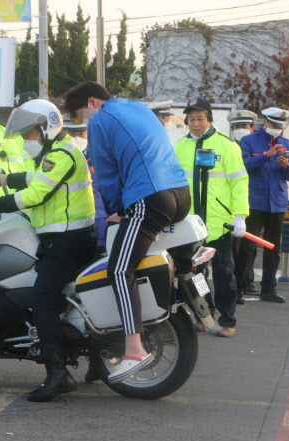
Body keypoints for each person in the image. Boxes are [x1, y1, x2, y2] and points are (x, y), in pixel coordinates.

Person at [63, 81, 191, 382]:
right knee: (136, 256)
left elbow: (106, 174)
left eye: (83, 114)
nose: (85, 122)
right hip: (180, 194)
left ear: (93, 102)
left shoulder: (102, 119)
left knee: (120, 270)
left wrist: (116, 209)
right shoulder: (139, 108)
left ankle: (133, 349)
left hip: (151, 197)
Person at [0, 99, 97, 402]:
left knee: (43, 297)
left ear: (46, 128)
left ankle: (57, 372)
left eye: (29, 134)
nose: (27, 141)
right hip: (63, 239)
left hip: (69, 241)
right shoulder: (55, 153)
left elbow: (36, 193)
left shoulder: (62, 154)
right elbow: (32, 178)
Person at [173, 97, 249, 338]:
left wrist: (240, 216)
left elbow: (239, 183)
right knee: (196, 276)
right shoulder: (180, 146)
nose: (195, 124)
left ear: (209, 119)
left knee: (225, 275)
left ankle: (228, 320)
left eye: (200, 119)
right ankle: (205, 314)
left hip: (220, 225)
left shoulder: (227, 145)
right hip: (191, 226)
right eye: (192, 119)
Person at [238, 107, 289, 304]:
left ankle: (268, 289)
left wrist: (287, 166)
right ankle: (239, 288)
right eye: (274, 125)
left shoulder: (286, 143)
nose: (277, 129)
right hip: (255, 201)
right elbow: (243, 166)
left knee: (273, 247)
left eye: (280, 126)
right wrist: (266, 154)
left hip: (278, 203)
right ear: (264, 122)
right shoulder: (248, 141)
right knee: (247, 246)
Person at [63, 116, 110, 250]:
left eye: (81, 134)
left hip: (99, 221)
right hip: (72, 224)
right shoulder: (62, 157)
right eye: (72, 134)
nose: (77, 138)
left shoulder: (99, 154)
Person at [227, 109, 258, 304]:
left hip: (253, 202)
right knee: (233, 248)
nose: (240, 130)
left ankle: (247, 280)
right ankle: (236, 286)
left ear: (252, 128)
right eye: (236, 127)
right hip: (232, 206)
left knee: (249, 247)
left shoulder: (258, 146)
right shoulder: (227, 147)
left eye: (244, 126)